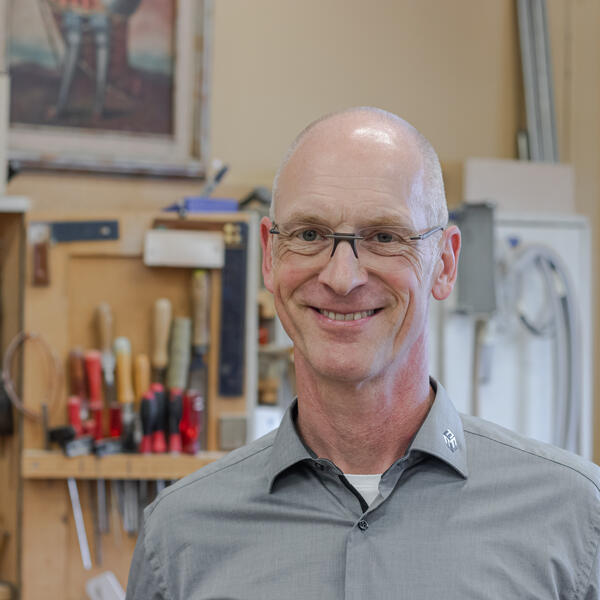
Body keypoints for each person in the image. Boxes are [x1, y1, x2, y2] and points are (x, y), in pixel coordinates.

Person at [126, 107, 600, 599]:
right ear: (269, 255)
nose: (342, 277)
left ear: (444, 263)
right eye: (309, 235)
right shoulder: (179, 538)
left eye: (384, 237)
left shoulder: (576, 521)